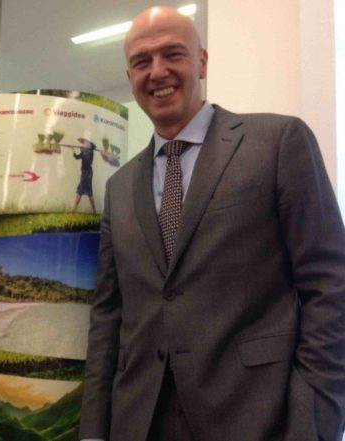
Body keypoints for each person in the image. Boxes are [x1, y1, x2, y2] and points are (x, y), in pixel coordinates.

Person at [79, 6, 345, 441]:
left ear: (202, 62)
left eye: (172, 54)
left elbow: (331, 289)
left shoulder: (277, 142)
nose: (157, 71)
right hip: (139, 421)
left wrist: (312, 423)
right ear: (130, 77)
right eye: (142, 61)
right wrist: (93, 431)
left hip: (256, 419)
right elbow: (109, 317)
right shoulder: (120, 187)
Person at [73, 137, 97, 213]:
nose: (84, 144)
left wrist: (82, 150)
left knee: (87, 192)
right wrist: (72, 149)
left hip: (88, 173)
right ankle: (74, 209)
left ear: (89, 145)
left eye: (85, 143)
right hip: (84, 172)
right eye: (84, 143)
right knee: (81, 191)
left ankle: (94, 210)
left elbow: (86, 157)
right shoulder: (85, 151)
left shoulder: (90, 151)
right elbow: (76, 157)